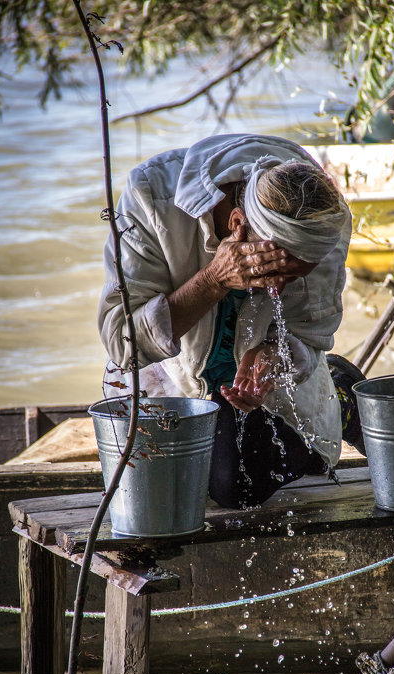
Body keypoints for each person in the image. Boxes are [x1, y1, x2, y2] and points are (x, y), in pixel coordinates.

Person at [99, 133, 365, 509]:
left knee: (234, 487)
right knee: (164, 489)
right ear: (237, 224)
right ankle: (335, 389)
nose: (280, 287)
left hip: (250, 382)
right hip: (171, 371)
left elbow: (310, 329)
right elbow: (121, 341)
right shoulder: (150, 197)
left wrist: (274, 358)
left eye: (295, 277)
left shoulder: (323, 220)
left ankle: (339, 395)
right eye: (273, 272)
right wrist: (213, 280)